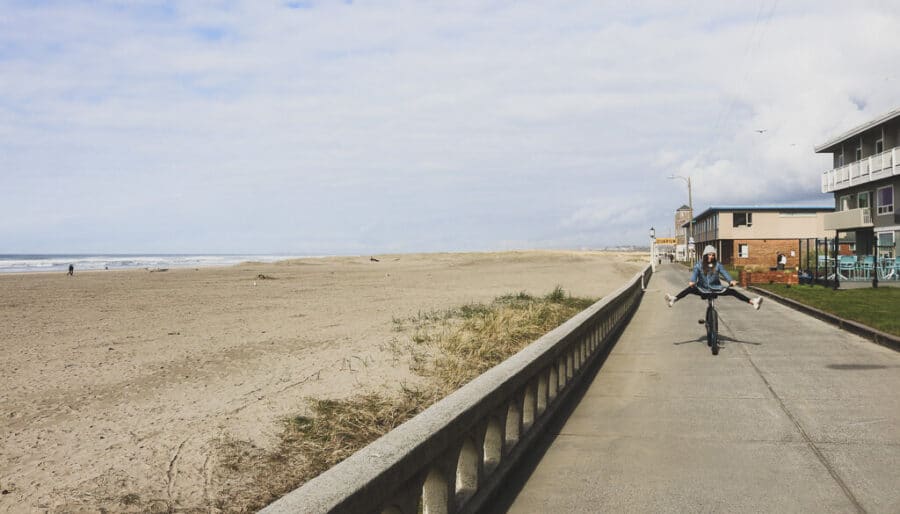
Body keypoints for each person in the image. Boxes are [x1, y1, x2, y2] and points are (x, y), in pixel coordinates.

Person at [665, 245, 763, 309]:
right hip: (702, 289)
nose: (711, 257)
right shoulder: (699, 264)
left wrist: (730, 280)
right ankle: (674, 299)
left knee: (733, 292)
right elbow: (694, 274)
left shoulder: (718, 265)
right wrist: (692, 281)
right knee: (689, 289)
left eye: (713, 255)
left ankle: (752, 302)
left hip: (716, 289)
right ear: (705, 255)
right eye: (709, 255)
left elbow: (725, 273)